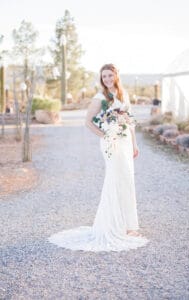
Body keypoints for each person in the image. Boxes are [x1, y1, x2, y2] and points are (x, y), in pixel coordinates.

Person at [48, 64, 149, 252]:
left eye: (110, 75)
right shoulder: (100, 97)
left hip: (125, 141)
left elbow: (130, 121)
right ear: (101, 79)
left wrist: (134, 143)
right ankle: (112, 224)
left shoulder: (123, 94)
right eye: (104, 76)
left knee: (127, 180)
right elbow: (88, 122)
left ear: (116, 76)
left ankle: (128, 225)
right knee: (114, 179)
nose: (108, 79)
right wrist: (105, 135)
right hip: (110, 142)